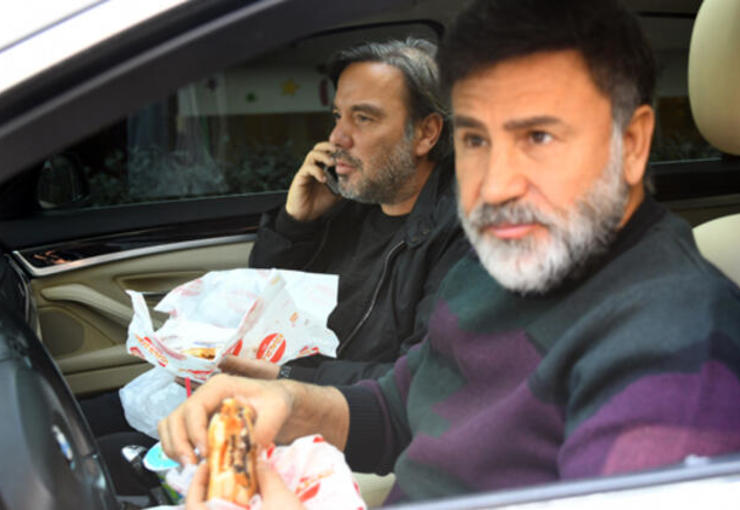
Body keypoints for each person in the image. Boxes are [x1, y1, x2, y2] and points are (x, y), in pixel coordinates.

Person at [159, 0, 740, 507]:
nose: (495, 184)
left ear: (631, 144)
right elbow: (400, 407)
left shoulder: (675, 347)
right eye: (477, 140)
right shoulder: (497, 266)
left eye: (538, 137)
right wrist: (285, 398)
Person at [227, 38, 469, 385]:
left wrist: (288, 379)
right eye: (338, 116)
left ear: (425, 134)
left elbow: (422, 379)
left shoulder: (463, 235)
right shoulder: (346, 205)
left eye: (363, 118)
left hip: (343, 411)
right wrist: (296, 224)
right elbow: (267, 308)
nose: (337, 137)